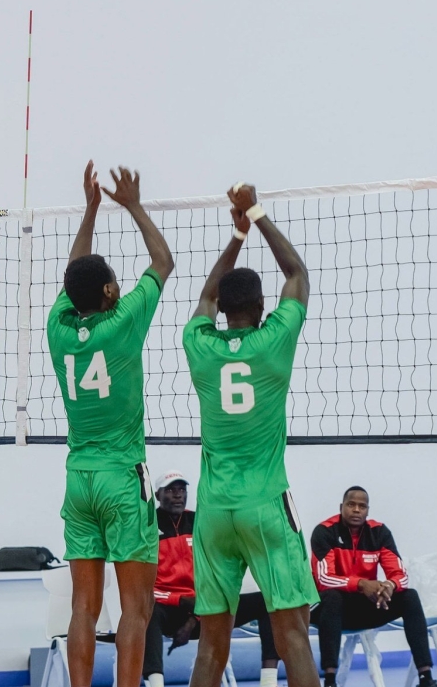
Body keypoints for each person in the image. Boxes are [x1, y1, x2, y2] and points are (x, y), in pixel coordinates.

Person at [182, 183, 320, 687]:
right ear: (262, 307)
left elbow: (204, 295)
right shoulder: (272, 342)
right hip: (265, 504)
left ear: (222, 309)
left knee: (211, 648)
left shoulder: (199, 344)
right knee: (294, 637)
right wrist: (256, 213)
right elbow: (297, 274)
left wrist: (236, 236)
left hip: (215, 509)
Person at [47, 162, 174, 687]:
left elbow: (74, 270)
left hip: (79, 480)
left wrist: (91, 209)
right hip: (123, 479)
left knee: (82, 608)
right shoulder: (123, 323)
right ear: (106, 294)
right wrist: (133, 205)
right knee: (137, 610)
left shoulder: (59, 327)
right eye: (113, 282)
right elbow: (163, 261)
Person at [143, 471, 282, 687]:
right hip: (168, 609)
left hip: (206, 607)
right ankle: (155, 682)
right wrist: (179, 600)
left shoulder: (199, 522)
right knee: (147, 610)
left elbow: (217, 574)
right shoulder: (147, 527)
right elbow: (142, 588)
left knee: (267, 602)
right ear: (158, 495)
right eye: (170, 490)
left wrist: (195, 617)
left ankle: (269, 681)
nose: (178, 495)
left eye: (181, 490)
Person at [310, 487, 437, 687]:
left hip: (365, 605)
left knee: (409, 596)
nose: (356, 510)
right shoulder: (324, 531)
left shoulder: (379, 532)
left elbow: (401, 576)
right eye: (351, 504)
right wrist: (361, 584)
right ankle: (329, 680)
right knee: (332, 597)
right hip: (328, 609)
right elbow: (324, 579)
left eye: (362, 506)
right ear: (341, 507)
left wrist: (388, 586)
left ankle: (426, 678)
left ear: (367, 511)